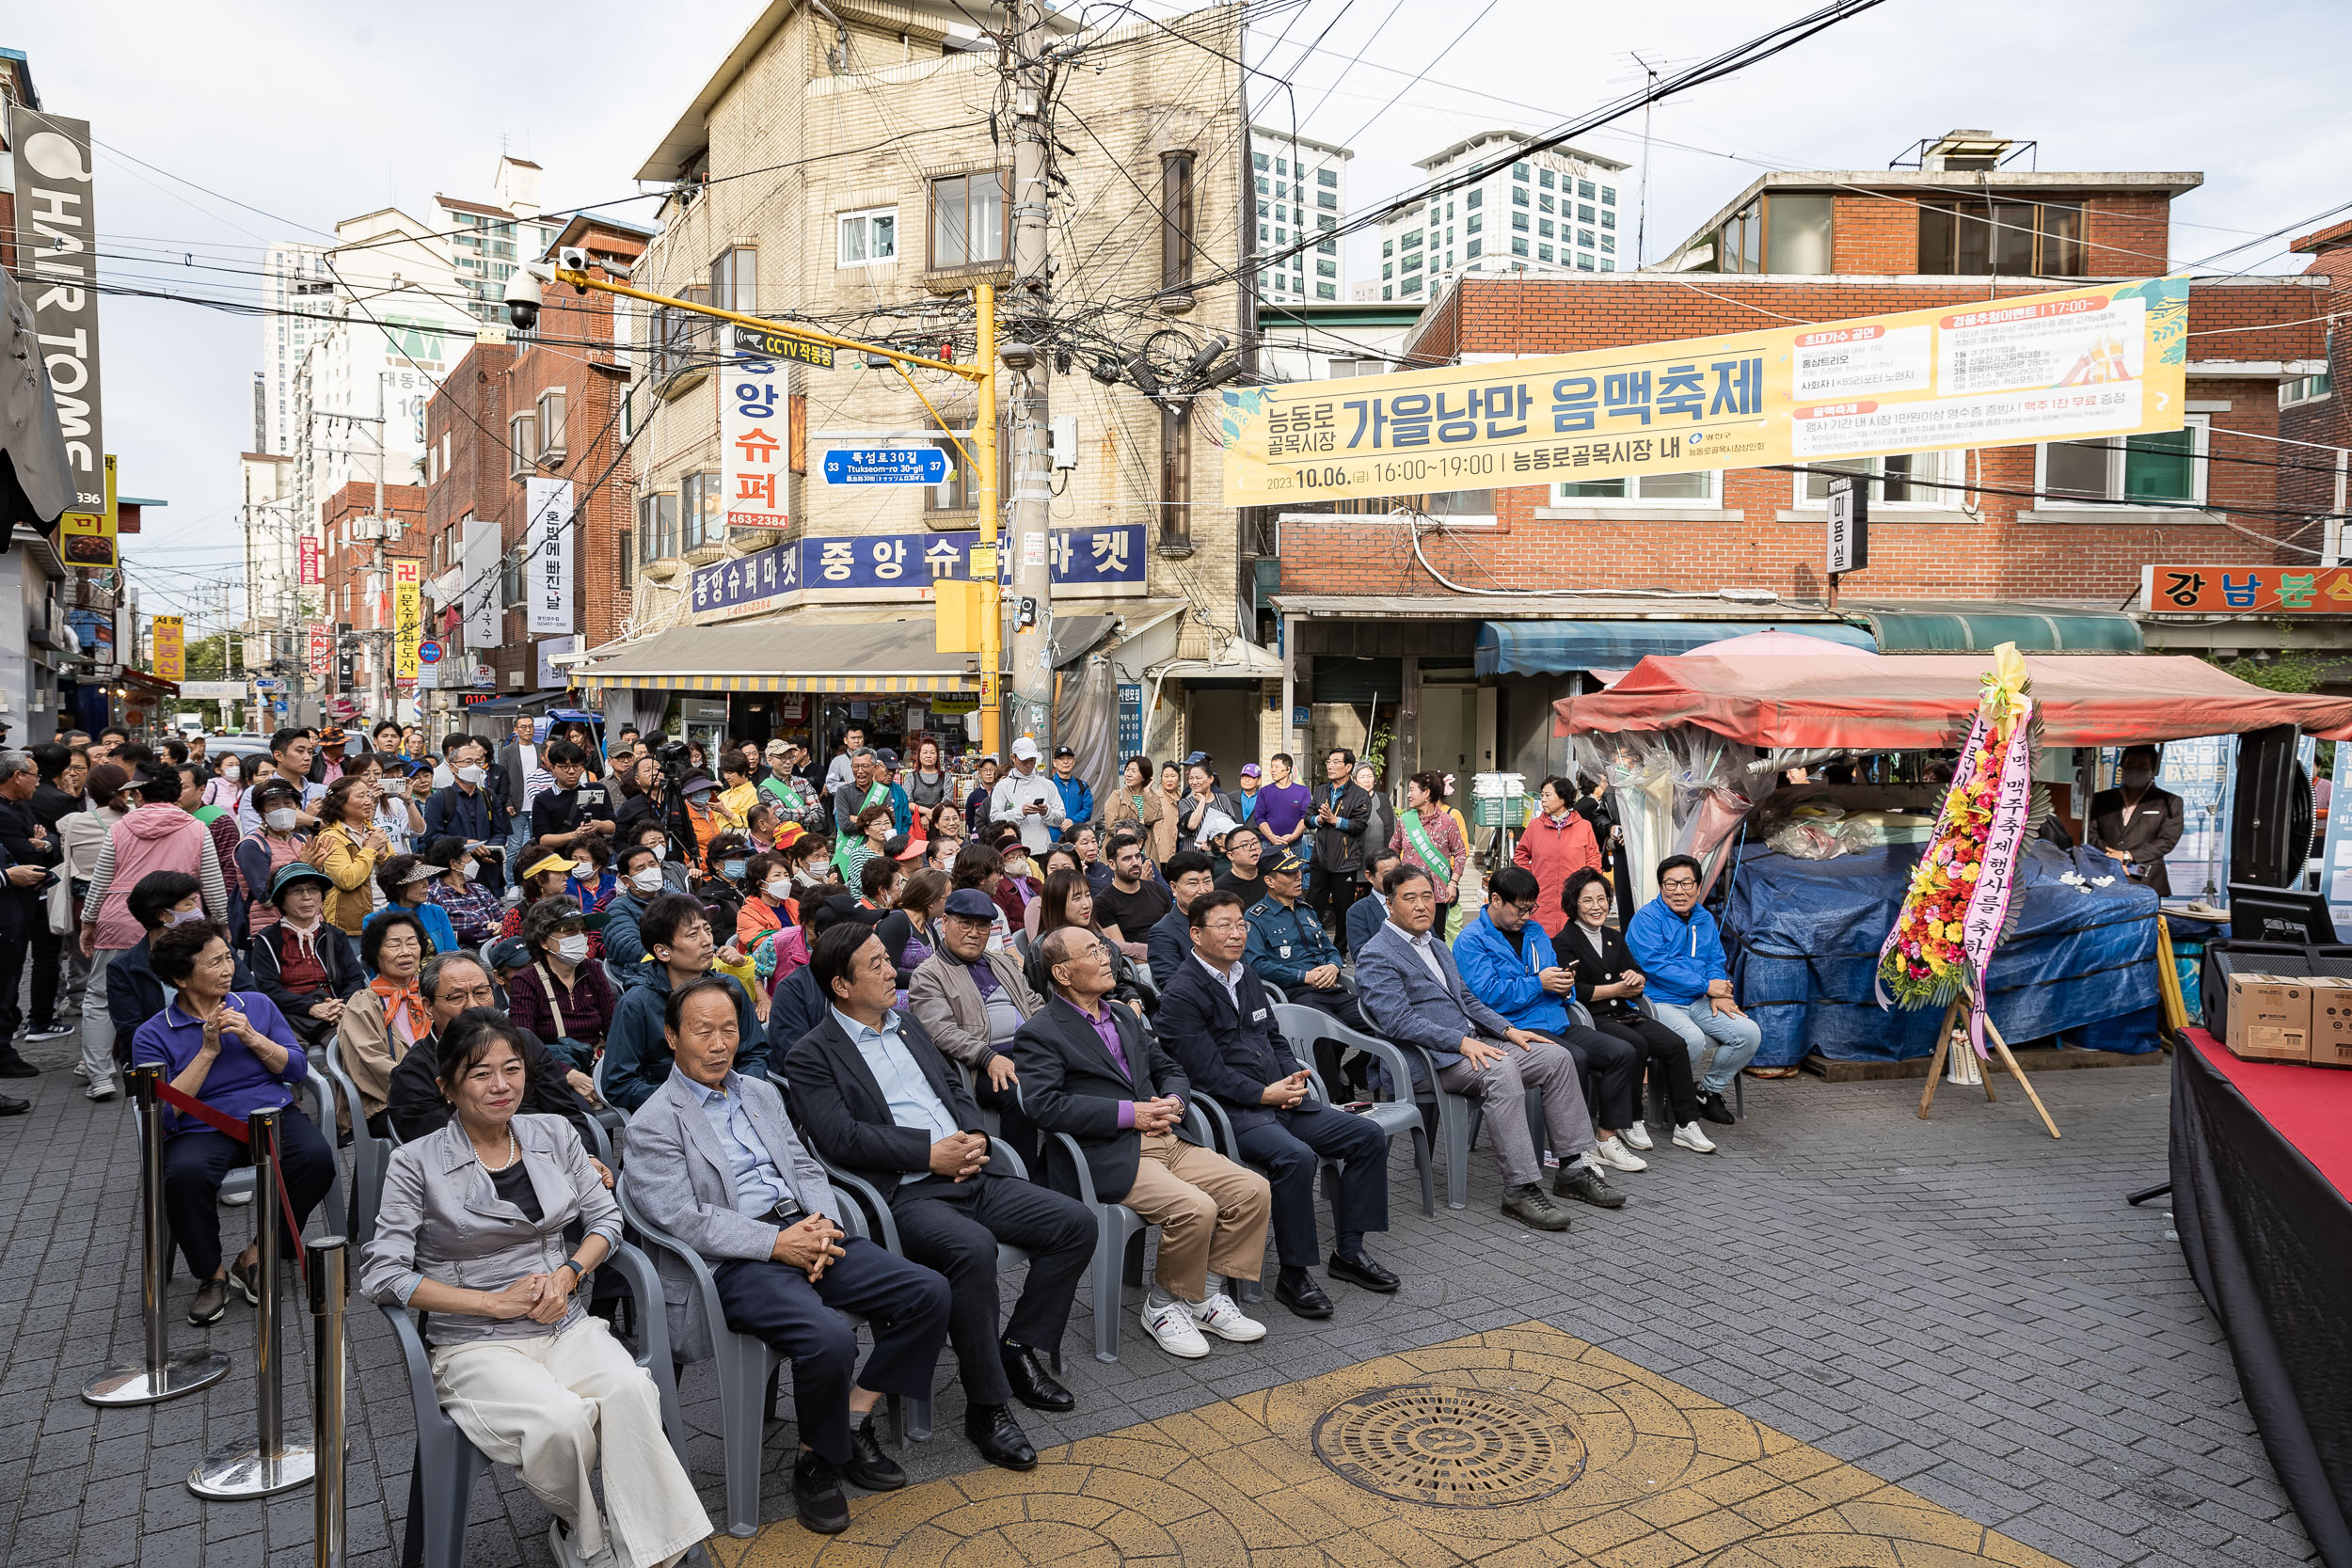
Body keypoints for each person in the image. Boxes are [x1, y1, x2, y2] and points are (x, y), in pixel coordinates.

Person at [360, 1010, 709, 1568]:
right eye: (480, 1074)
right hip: (476, 1340)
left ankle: (659, 1549)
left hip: (562, 1320)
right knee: (560, 1421)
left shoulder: (551, 1132)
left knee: (631, 1389)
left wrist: (569, 1273)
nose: (501, 1086)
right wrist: (490, 1303)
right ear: (446, 1086)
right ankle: (582, 1535)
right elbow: (384, 1273)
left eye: (512, 1069)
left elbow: (606, 1222)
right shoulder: (415, 1163)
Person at [627, 975, 952, 1536]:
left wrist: (821, 1225)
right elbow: (684, 1218)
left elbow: (804, 1167)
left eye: (729, 1029)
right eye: (702, 1031)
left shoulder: (760, 1092)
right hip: (738, 1260)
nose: (718, 1044)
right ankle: (816, 1462)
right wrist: (777, 1244)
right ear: (671, 1037)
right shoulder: (652, 1123)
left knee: (928, 1291)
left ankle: (851, 1417)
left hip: (806, 1232)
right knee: (828, 1337)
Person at [787, 925, 1096, 1470]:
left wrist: (975, 1135)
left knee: (1074, 1223)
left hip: (972, 1171)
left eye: (889, 959)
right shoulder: (813, 1054)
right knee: (971, 1249)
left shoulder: (905, 1024)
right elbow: (841, 1138)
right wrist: (927, 1155)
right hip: (906, 1194)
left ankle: (1018, 1348)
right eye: (877, 965)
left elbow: (952, 1086)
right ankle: (988, 1405)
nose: (892, 971)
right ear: (840, 984)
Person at [1013, 927, 1271, 1359]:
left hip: (1167, 1135)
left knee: (1252, 1190)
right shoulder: (1041, 1032)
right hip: (1108, 1152)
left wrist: (1172, 1100)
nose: (1107, 957)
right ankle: (1163, 1304)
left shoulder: (1123, 1015)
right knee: (1196, 1207)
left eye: (1105, 948)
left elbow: (1168, 1065)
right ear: (1061, 972)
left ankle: (1203, 1296)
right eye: (1094, 951)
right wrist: (1130, 1114)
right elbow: (1044, 1107)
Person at [1156, 891, 1396, 1320]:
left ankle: (1350, 1252)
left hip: (1280, 1098)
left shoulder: (1243, 974)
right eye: (1224, 925)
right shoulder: (1181, 993)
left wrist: (1292, 1075)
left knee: (1366, 1135)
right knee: (1295, 1158)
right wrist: (1263, 1094)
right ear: (1196, 934)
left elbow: (1272, 1037)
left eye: (1240, 924)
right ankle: (1294, 1272)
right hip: (1234, 1112)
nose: (1236, 933)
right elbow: (1204, 1072)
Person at [1356, 865, 1613, 1231]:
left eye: (1427, 896)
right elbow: (1399, 1021)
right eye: (1409, 898)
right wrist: (1460, 1041)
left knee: (1556, 1057)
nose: (1421, 906)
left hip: (1471, 1046)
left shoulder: (1437, 945)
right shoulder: (1377, 954)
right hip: (1427, 1060)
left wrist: (1509, 1030)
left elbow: (1467, 1000)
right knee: (1503, 1069)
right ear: (1390, 904)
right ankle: (1520, 1188)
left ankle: (1572, 1169)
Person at [135, 921, 337, 1326]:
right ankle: (211, 1276)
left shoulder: (257, 1006)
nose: (228, 968)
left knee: (317, 1160)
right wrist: (208, 1051)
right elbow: (163, 1112)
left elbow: (296, 1070)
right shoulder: (153, 1034)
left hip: (272, 1115)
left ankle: (257, 1255)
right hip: (200, 1127)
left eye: (228, 957)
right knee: (185, 1176)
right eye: (214, 962)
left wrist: (254, 1039)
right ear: (180, 978)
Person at [1453, 865, 1647, 1174]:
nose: (1526, 916)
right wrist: (1538, 984)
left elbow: (1554, 976)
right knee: (1575, 1058)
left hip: (1556, 1020)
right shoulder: (1471, 940)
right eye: (1521, 909)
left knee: (1622, 1053)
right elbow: (1485, 996)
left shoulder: (1536, 932)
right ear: (1495, 900)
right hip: (1513, 1029)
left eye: (1532, 908)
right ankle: (1572, 1150)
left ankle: (1605, 1139)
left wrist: (1565, 986)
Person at [76, 766, 230, 1097]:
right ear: (177, 795)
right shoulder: (196, 827)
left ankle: (101, 1076)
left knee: (101, 996)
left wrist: (89, 921)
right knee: (180, 989)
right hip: (180, 921)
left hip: (121, 916)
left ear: (140, 794)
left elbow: (101, 879)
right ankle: (181, 1063)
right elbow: (213, 884)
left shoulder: (120, 828)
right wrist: (221, 922)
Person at [1558, 868, 1712, 1154]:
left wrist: (1637, 979)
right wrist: (1617, 989)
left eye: (1602, 899)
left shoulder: (1613, 937)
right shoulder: (1564, 941)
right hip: (1593, 1019)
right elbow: (1574, 989)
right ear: (1574, 904)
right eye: (1588, 900)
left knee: (1675, 1044)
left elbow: (1636, 973)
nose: (1597, 907)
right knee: (1636, 1045)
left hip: (1626, 1012)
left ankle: (1686, 1123)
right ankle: (1631, 1119)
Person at [382, 954, 601, 1146]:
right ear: (429, 1007)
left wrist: (587, 1159)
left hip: (554, 1159)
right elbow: (441, 1148)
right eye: (456, 997)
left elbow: (567, 1113)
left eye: (481, 992)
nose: (472, 1006)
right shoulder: (414, 1072)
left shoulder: (524, 1042)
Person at [908, 887, 1043, 1156]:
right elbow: (942, 1032)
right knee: (1019, 1093)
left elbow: (1034, 1003)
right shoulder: (928, 975)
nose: (974, 933)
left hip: (1030, 1051)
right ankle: (1025, 1176)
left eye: (982, 926)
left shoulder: (1001, 963)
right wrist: (988, 1057)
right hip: (978, 1064)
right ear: (944, 923)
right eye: (965, 923)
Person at [1623, 854, 1756, 1125]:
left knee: (1748, 1033)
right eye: (1671, 884)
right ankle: (1674, 1099)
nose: (1679, 891)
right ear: (1661, 887)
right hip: (1658, 1001)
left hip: (1699, 1000)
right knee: (1691, 1040)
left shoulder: (1704, 918)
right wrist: (1707, 986)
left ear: (1698, 885)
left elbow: (1715, 960)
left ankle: (1707, 1092)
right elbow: (1655, 966)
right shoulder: (1646, 919)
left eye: (1686, 883)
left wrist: (1719, 991)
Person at [601, 894, 767, 1112]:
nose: (707, 941)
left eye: (707, 930)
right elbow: (619, 1083)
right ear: (662, 951)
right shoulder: (637, 1003)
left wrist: (739, 1091)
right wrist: (690, 1099)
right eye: (692, 935)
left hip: (734, 1104)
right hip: (673, 1113)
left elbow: (755, 1052)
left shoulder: (730, 987)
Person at [1241, 847, 1376, 1088]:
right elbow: (1257, 966)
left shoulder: (1307, 911)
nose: (1298, 878)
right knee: (1323, 1032)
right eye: (1289, 874)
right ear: (1270, 881)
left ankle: (1356, 1073)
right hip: (1296, 994)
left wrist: (1334, 967)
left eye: (1299, 872)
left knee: (1381, 1015)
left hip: (1331, 989)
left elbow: (1330, 949)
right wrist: (1304, 976)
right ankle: (1331, 1098)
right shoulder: (1255, 918)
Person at [336, 910, 435, 1133]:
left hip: (442, 1091)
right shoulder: (363, 1004)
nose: (406, 952)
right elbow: (372, 1064)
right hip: (387, 1102)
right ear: (375, 954)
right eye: (393, 945)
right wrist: (429, 1085)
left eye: (412, 943)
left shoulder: (431, 993)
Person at [250, 863, 369, 1049]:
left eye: (313, 890)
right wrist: (311, 1007)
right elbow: (269, 989)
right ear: (282, 900)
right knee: (290, 1052)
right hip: (289, 1016)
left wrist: (340, 1006)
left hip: (333, 1013)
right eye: (297, 891)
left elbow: (354, 978)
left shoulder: (334, 936)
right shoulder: (267, 940)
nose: (307, 897)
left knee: (350, 1047)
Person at [0, 750, 68, 1053]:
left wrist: (43, 843)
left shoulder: (22, 807)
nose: (38, 784)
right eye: (34, 776)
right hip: (9, 908)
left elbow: (49, 843)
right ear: (17, 776)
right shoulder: (3, 812)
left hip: (29, 902)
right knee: (8, 976)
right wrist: (40, 846)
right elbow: (26, 853)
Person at [507, 897, 619, 1066]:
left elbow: (614, 1028)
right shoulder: (526, 981)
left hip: (598, 1062)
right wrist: (568, 1075)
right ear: (543, 941)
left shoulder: (593, 970)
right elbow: (525, 1045)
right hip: (552, 1071)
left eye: (583, 930)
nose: (580, 936)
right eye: (568, 929)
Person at [1025, 866, 1149, 1010]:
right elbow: (1051, 1001)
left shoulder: (1099, 939)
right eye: (1077, 898)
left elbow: (1120, 982)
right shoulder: (1042, 949)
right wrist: (1108, 1008)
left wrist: (1133, 1000)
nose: (1086, 904)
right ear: (1057, 904)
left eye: (1088, 895)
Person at [1515, 776, 1604, 940]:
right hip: (1541, 900)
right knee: (1542, 946)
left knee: (1573, 947)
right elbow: (1520, 855)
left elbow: (1594, 860)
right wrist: (1531, 876)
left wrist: (1587, 885)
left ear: (1562, 799)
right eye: (1542, 795)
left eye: (1547, 795)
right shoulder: (1535, 826)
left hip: (1575, 900)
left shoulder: (1584, 827)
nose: (1542, 800)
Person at [2089, 744, 2185, 895]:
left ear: (2152, 770)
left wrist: (2127, 856)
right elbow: (2089, 833)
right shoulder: (2102, 799)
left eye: (2142, 766)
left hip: (2145, 879)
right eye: (2130, 765)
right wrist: (2110, 858)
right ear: (2122, 766)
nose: (2135, 770)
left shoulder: (2169, 801)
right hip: (2103, 877)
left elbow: (2167, 840)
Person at [421, 736, 510, 897]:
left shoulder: (488, 796)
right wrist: (465, 844)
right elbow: (431, 837)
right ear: (453, 767)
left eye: (478, 762)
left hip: (486, 874)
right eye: (468, 762)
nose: (474, 767)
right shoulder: (439, 799)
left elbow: (499, 832)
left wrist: (490, 851)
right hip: (451, 875)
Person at [1391, 770, 1470, 931]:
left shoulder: (1448, 822)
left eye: (1412, 790)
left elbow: (1460, 853)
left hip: (1437, 894)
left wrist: (1453, 882)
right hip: (1408, 890)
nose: (1409, 795)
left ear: (1426, 793)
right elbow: (1392, 850)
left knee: (1436, 937)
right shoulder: (1405, 821)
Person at [233, 779, 312, 937]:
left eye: (288, 803)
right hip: (271, 931)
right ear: (261, 811)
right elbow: (265, 899)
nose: (282, 809)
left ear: (296, 807)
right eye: (273, 804)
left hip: (308, 927)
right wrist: (300, 867)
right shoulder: (252, 846)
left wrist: (318, 868)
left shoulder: (301, 840)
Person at [1309, 749, 1371, 948]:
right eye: (1329, 762)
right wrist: (1319, 819)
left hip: (1345, 861)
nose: (1330, 766)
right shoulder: (1320, 790)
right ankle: (1311, 947)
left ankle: (1341, 950)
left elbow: (1359, 825)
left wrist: (1334, 820)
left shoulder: (1359, 795)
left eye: (1336, 762)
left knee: (1343, 909)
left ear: (1348, 767)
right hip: (1320, 859)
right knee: (1312, 906)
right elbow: (1307, 818)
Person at [312, 775, 389, 937]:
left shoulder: (374, 832)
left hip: (385, 915)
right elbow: (347, 879)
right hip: (351, 925)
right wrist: (370, 849)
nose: (369, 801)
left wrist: (383, 857)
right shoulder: (331, 837)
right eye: (361, 796)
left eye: (368, 795)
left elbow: (396, 874)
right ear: (341, 803)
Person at [529, 740, 617, 862]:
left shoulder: (597, 789)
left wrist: (596, 825)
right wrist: (574, 835)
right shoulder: (543, 799)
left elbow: (611, 826)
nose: (571, 771)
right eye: (564, 767)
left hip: (596, 860)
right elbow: (543, 839)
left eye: (576, 766)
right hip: (560, 862)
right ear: (552, 768)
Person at [1143, 848, 1218, 992]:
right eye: (1193, 883)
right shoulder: (1163, 933)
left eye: (1207, 882)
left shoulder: (1224, 921)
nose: (1202, 890)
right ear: (1174, 888)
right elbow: (1174, 986)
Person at [1090, 832, 1169, 965]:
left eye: (1138, 856)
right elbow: (1122, 951)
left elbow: (1173, 929)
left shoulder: (1157, 889)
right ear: (1112, 864)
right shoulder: (1103, 902)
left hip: (1171, 954)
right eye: (1127, 858)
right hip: (1141, 965)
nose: (1135, 863)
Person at [234, 728, 326, 833]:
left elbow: (341, 830)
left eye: (310, 752)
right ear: (279, 756)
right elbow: (254, 838)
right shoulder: (255, 793)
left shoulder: (322, 792)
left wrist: (308, 820)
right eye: (300, 751)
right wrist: (299, 821)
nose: (307, 757)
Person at [990, 737, 1067, 856]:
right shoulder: (1002, 787)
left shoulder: (1047, 785)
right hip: (1013, 852)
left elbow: (1060, 817)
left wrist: (1046, 812)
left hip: (1043, 850)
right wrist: (1019, 812)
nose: (1029, 765)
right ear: (1013, 758)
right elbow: (995, 819)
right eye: (1024, 761)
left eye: (1032, 760)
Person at [372, 855, 462, 957]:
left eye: (426, 878)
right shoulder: (374, 921)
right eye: (418, 879)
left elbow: (453, 953)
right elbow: (375, 965)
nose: (426, 884)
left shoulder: (436, 912)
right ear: (398, 887)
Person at [601, 843, 671, 973]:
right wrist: (675, 957)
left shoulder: (675, 902)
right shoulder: (617, 909)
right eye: (640, 868)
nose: (650, 870)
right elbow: (629, 948)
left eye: (652, 864)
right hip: (643, 976)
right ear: (626, 881)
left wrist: (715, 951)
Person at [1102, 755, 1167, 863]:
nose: (1128, 774)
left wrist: (1146, 792)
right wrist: (1138, 825)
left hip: (1145, 853)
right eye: (1127, 770)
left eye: (1133, 771)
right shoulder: (1117, 795)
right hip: (1120, 852)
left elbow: (1152, 817)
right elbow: (1110, 825)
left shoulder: (1151, 796)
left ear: (1144, 776)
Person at [1345, 847, 1400, 959]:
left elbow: (1431, 941)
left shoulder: (1414, 901)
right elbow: (1362, 956)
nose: (1395, 879)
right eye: (1387, 874)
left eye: (1399, 872)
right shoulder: (1358, 912)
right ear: (1370, 876)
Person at [835, 802, 893, 894]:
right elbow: (867, 887)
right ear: (866, 830)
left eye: (887, 823)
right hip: (867, 903)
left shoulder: (895, 851)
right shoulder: (858, 854)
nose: (884, 828)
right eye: (878, 824)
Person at [1214, 822, 1266, 907]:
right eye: (1245, 845)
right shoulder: (1221, 888)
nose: (1253, 848)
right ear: (1231, 855)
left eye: (1255, 842)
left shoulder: (1270, 875)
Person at [1047, 745, 1094, 829]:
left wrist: (1072, 821)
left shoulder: (1082, 786)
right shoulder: (1047, 784)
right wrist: (1059, 821)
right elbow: (1043, 809)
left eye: (1069, 758)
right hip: (1053, 834)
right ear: (1054, 762)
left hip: (1076, 833)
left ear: (1074, 761)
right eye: (1061, 759)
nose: (1066, 762)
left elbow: (1087, 810)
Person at [903, 736, 952, 814]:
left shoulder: (946, 777)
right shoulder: (910, 777)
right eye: (925, 752)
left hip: (939, 820)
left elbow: (947, 800)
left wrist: (932, 814)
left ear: (937, 756)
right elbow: (907, 802)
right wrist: (927, 812)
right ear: (919, 755)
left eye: (932, 753)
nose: (928, 756)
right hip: (916, 821)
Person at [823, 723, 869, 794]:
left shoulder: (872, 759)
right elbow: (830, 784)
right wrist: (849, 786)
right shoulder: (837, 761)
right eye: (853, 738)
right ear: (845, 740)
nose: (856, 741)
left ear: (863, 740)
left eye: (859, 738)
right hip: (846, 802)